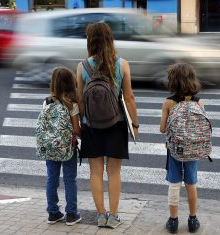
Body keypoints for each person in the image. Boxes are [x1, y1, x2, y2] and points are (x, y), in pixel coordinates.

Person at [76, 22, 138, 229]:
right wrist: (135, 125)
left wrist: (83, 124)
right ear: (110, 39)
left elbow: (79, 99)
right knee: (114, 172)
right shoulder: (122, 64)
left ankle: (100, 215)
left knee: (95, 172)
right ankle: (113, 216)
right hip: (116, 123)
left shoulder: (82, 66)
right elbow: (129, 97)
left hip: (91, 125)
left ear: (89, 41)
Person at [159, 63, 202, 233]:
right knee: (191, 183)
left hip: (174, 149)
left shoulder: (169, 102)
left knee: (174, 183)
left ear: (173, 81)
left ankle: (173, 221)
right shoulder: (199, 102)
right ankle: (193, 220)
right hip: (192, 149)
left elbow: (163, 128)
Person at [44, 67, 82, 226]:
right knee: (69, 180)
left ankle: (53, 212)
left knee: (51, 178)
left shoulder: (47, 101)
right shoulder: (72, 104)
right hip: (68, 148)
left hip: (51, 147)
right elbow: (76, 130)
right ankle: (71, 214)